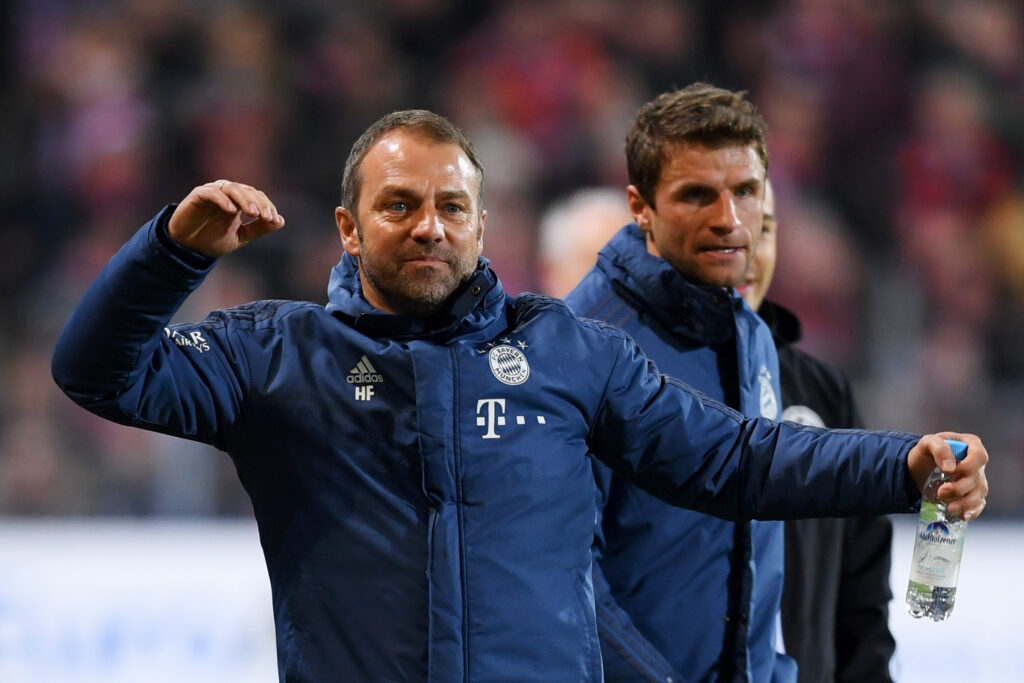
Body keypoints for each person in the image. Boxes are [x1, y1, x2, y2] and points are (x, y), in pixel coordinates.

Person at [51, 109, 988, 682]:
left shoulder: (564, 350)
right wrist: (172, 252)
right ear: (347, 225)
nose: (429, 226)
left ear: (483, 223)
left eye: (452, 207)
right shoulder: (278, 353)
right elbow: (95, 370)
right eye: (398, 204)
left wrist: (901, 463)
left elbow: (734, 455)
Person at [563, 84, 859, 682]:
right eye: (697, 195)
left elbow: (754, 547)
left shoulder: (751, 337)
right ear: (640, 205)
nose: (728, 220)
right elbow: (566, 575)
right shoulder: (581, 347)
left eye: (745, 193)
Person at [736, 180, 896, 682]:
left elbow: (861, 597)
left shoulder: (822, 390)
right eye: (726, 231)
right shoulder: (637, 387)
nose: (745, 253)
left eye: (763, 230)